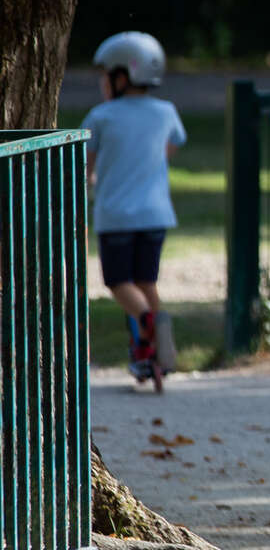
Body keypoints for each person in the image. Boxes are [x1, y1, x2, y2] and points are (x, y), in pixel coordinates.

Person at [83, 32, 186, 386]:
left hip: (116, 216)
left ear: (122, 77)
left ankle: (148, 326)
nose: (103, 82)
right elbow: (172, 146)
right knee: (146, 280)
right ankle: (153, 349)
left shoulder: (101, 117)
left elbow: (86, 165)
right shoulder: (166, 112)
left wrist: (92, 180)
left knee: (118, 282)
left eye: (106, 75)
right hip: (156, 215)